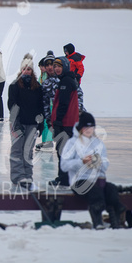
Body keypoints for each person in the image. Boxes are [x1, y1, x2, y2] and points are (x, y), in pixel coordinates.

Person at [61, 112, 126, 229]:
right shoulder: (72, 143)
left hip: (97, 181)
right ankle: (98, 223)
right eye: (86, 127)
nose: (89, 130)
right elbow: (64, 165)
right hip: (79, 181)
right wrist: (82, 162)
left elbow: (105, 165)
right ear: (80, 128)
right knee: (95, 193)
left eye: (91, 127)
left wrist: (98, 163)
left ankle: (116, 223)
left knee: (111, 190)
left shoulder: (98, 143)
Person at [7, 53, 44, 189]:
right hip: (18, 123)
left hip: (32, 124)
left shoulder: (37, 87)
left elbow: (40, 106)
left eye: (28, 69)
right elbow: (12, 105)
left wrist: (40, 124)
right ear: (21, 70)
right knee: (17, 150)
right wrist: (16, 124)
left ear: (32, 70)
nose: (26, 71)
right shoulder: (15, 86)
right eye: (24, 69)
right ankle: (18, 176)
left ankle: (27, 176)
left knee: (28, 151)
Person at [49, 56, 80, 187]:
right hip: (68, 123)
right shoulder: (67, 79)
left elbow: (63, 103)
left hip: (66, 123)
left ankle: (64, 179)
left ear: (65, 67)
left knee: (63, 151)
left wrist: (58, 121)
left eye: (59, 66)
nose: (56, 69)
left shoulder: (65, 82)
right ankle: (64, 177)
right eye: (55, 66)